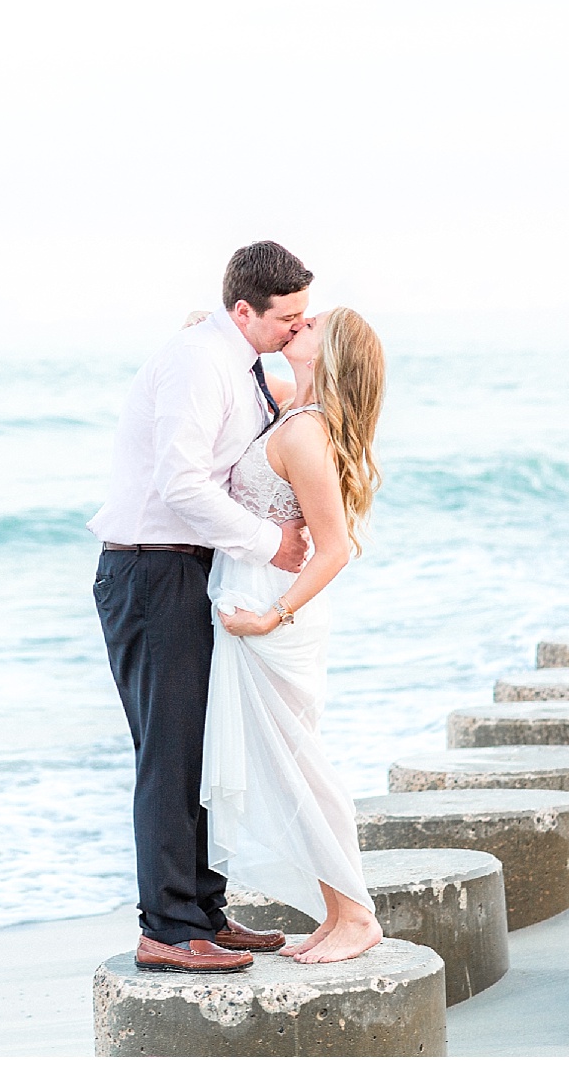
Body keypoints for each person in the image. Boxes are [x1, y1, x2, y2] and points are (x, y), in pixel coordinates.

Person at [88, 242, 315, 974]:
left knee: (200, 743)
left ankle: (205, 911)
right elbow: (181, 481)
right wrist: (268, 543)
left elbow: (279, 429)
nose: (295, 329)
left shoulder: (237, 360)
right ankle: (168, 926)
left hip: (191, 572)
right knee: (169, 752)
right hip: (152, 572)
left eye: (304, 316)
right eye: (287, 319)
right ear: (243, 310)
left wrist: (303, 365)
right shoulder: (199, 359)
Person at [204, 306, 387, 963]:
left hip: (274, 616)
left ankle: (357, 914)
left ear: (326, 351)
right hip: (255, 608)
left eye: (309, 325)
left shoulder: (307, 432)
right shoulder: (293, 404)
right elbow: (236, 362)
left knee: (302, 766)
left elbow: (333, 550)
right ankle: (338, 912)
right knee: (288, 769)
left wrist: (268, 615)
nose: (296, 323)